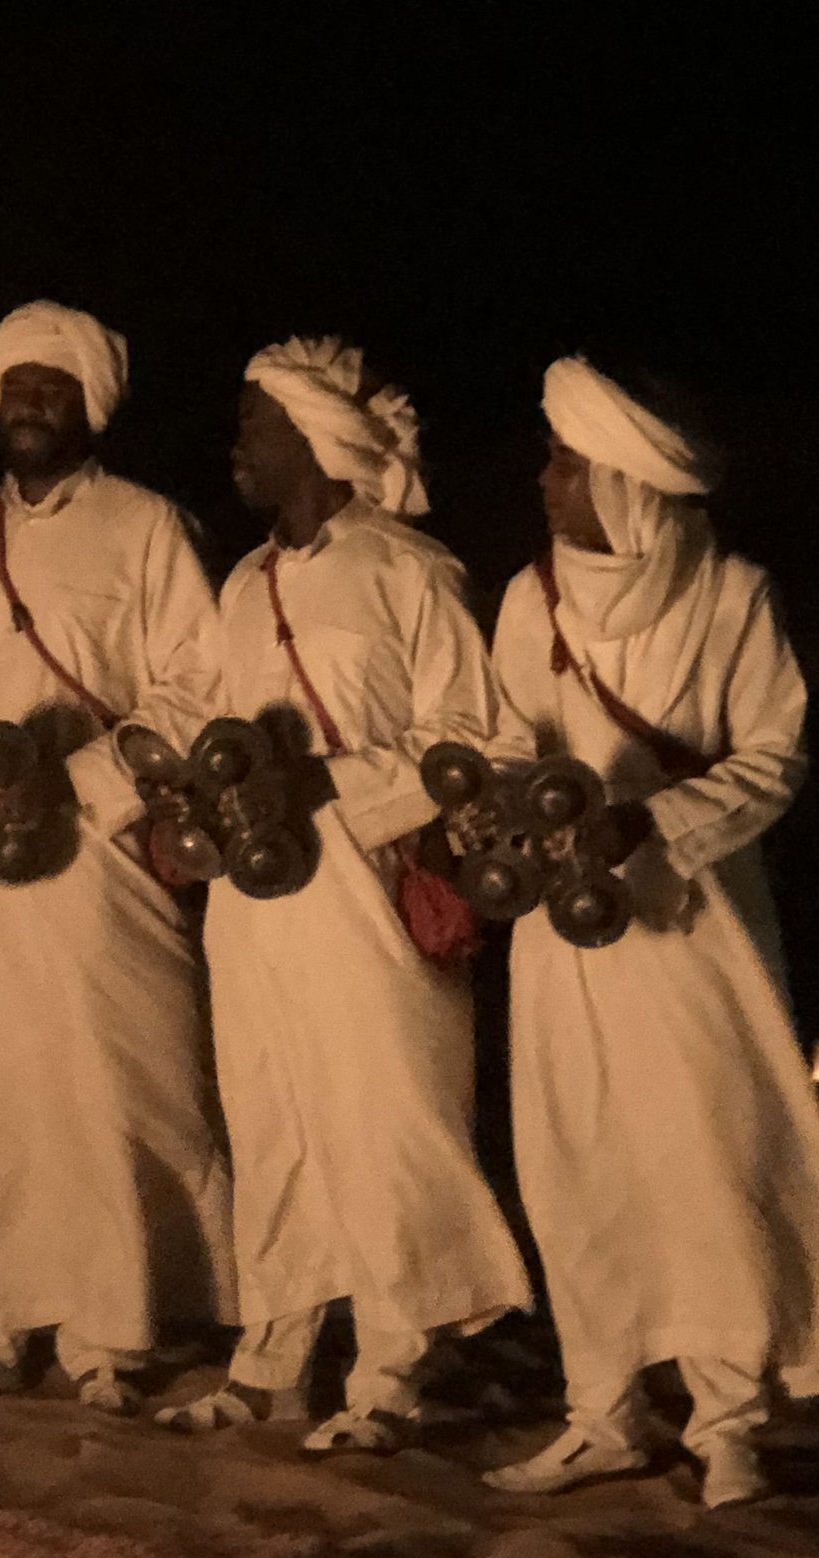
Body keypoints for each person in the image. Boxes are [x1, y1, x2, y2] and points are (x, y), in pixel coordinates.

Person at [480, 357, 819, 1508]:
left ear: (626, 486)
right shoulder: (528, 598)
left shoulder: (732, 595)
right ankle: (600, 1413)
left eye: (566, 463)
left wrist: (650, 822)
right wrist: (517, 814)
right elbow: (510, 735)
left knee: (707, 1154)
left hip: (695, 922)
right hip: (563, 932)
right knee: (578, 1156)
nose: (546, 481)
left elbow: (772, 755)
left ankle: (728, 1422)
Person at [157, 338, 532, 1453]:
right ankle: (268, 1364)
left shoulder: (410, 570)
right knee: (271, 1119)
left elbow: (479, 739)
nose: (236, 446)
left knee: (385, 1119)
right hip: (253, 900)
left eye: (253, 426)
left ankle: (388, 1378)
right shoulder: (241, 584)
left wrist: (330, 785)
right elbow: (207, 723)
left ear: (315, 443)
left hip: (365, 887)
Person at [0, 301, 233, 1411]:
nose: (32, 405)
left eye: (54, 388)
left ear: (91, 404)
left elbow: (193, 685)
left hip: (99, 847)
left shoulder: (147, 527)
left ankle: (109, 1337)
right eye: (17, 387)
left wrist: (83, 783)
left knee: (109, 1081)